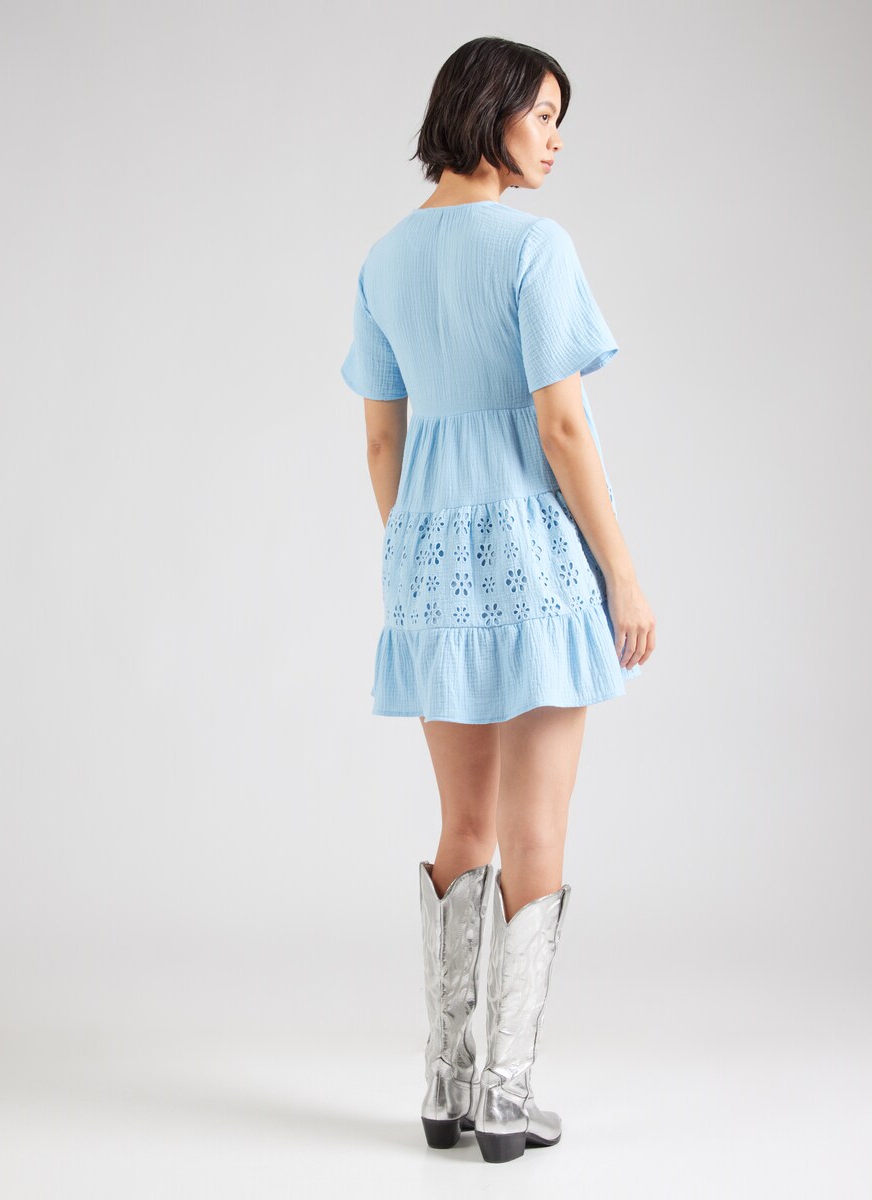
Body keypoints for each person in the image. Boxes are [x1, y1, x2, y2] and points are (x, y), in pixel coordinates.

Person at [340, 36, 656, 1164]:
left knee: (460, 825)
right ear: (488, 111)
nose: (557, 139)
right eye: (545, 114)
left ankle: (446, 1085)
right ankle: (509, 1100)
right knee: (536, 827)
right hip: (535, 554)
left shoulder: (384, 260)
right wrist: (622, 570)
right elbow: (562, 427)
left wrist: (418, 550)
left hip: (427, 563)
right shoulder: (534, 248)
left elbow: (382, 442)